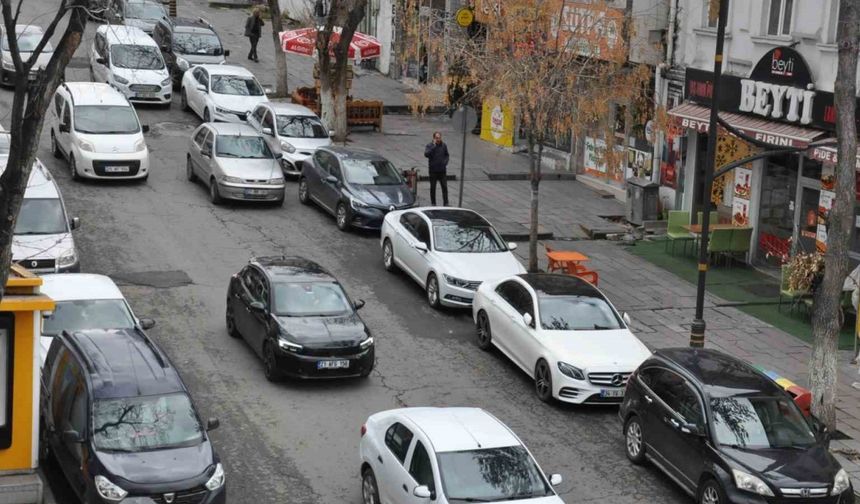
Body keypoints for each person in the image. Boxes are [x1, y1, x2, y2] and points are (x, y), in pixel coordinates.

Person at [424, 131, 449, 206]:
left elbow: (447, 155)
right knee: (433, 187)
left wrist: (445, 162)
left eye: (439, 138)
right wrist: (433, 146)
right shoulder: (429, 145)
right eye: (436, 138)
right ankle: (433, 203)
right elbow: (426, 154)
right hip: (433, 171)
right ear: (434, 138)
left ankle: (446, 202)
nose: (438, 139)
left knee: (444, 187)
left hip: (442, 170)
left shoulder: (444, 145)